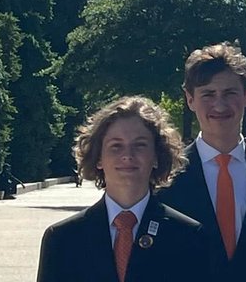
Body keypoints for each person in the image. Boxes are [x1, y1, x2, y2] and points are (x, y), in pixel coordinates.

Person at [36, 95, 211, 282]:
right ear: (99, 158)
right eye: (116, 146)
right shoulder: (63, 239)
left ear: (156, 156)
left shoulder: (188, 236)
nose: (127, 155)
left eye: (140, 145)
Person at [159, 42, 246, 282]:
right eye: (208, 94)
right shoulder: (166, 176)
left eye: (230, 93)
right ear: (190, 99)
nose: (219, 105)